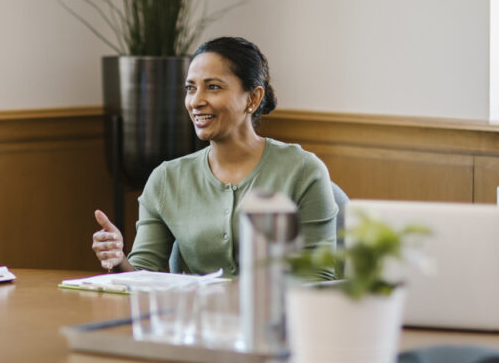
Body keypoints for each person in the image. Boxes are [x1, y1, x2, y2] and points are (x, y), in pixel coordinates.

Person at [91, 36, 337, 276]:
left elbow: (317, 278)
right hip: (197, 317)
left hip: (277, 316)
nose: (195, 101)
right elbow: (142, 276)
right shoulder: (166, 179)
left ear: (253, 98)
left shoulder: (303, 170)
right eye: (190, 88)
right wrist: (118, 258)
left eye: (213, 87)